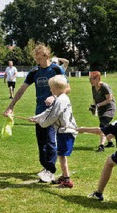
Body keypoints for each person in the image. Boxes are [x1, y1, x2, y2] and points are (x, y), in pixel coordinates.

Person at [4, 44, 69, 183]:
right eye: (36, 59)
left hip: (53, 112)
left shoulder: (56, 69)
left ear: (46, 56)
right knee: (41, 142)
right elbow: (22, 89)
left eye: (39, 58)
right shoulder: (35, 72)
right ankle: (46, 167)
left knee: (50, 141)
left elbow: (67, 88)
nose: (37, 61)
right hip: (39, 111)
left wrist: (55, 97)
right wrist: (11, 106)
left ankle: (50, 170)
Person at [28, 75, 76, 188]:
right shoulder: (60, 98)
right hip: (62, 130)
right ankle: (64, 176)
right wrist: (36, 118)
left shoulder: (61, 100)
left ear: (56, 88)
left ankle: (67, 180)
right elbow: (49, 111)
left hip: (66, 131)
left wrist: (41, 123)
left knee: (62, 155)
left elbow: (52, 117)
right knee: (60, 154)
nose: (50, 90)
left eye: (51, 88)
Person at [89, 71, 115, 152]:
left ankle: (101, 146)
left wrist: (98, 105)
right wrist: (93, 106)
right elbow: (94, 98)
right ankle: (110, 142)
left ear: (98, 79)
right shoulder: (93, 87)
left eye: (92, 79)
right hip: (101, 110)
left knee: (102, 126)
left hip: (109, 109)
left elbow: (109, 99)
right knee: (105, 127)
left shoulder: (105, 87)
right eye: (89, 79)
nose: (90, 81)